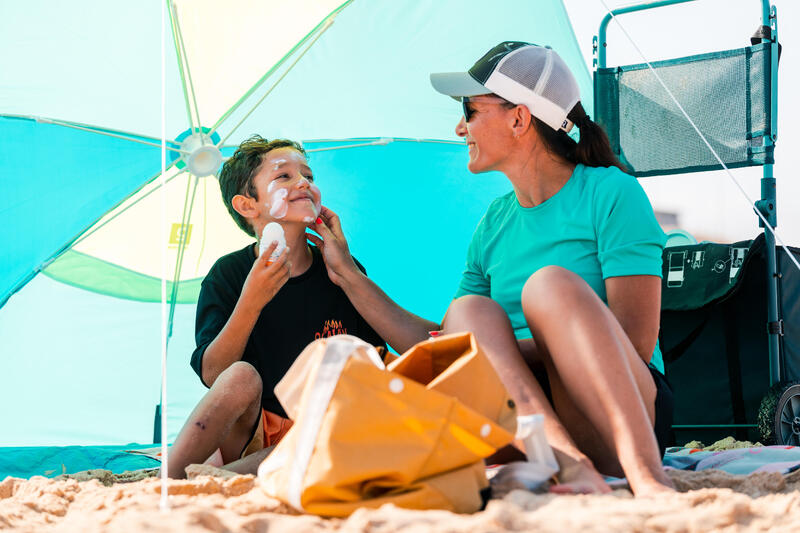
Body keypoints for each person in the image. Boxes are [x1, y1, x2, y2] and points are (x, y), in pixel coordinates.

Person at [428, 41, 675, 496]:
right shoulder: (493, 223)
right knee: (466, 314)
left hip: (618, 417)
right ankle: (572, 469)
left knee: (549, 288)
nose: (460, 126)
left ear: (520, 118)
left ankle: (649, 479)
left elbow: (636, 344)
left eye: (470, 109)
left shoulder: (612, 193)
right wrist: (348, 274)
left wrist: (507, 348)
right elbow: (450, 343)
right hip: (532, 432)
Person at [167, 136, 435, 478]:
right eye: (284, 176)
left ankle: (224, 478)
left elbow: (376, 359)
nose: (303, 183)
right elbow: (213, 375)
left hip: (331, 429)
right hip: (254, 432)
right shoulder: (228, 274)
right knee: (240, 375)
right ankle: (169, 481)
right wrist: (252, 300)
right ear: (248, 206)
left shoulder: (342, 269)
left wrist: (348, 274)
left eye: (308, 175)